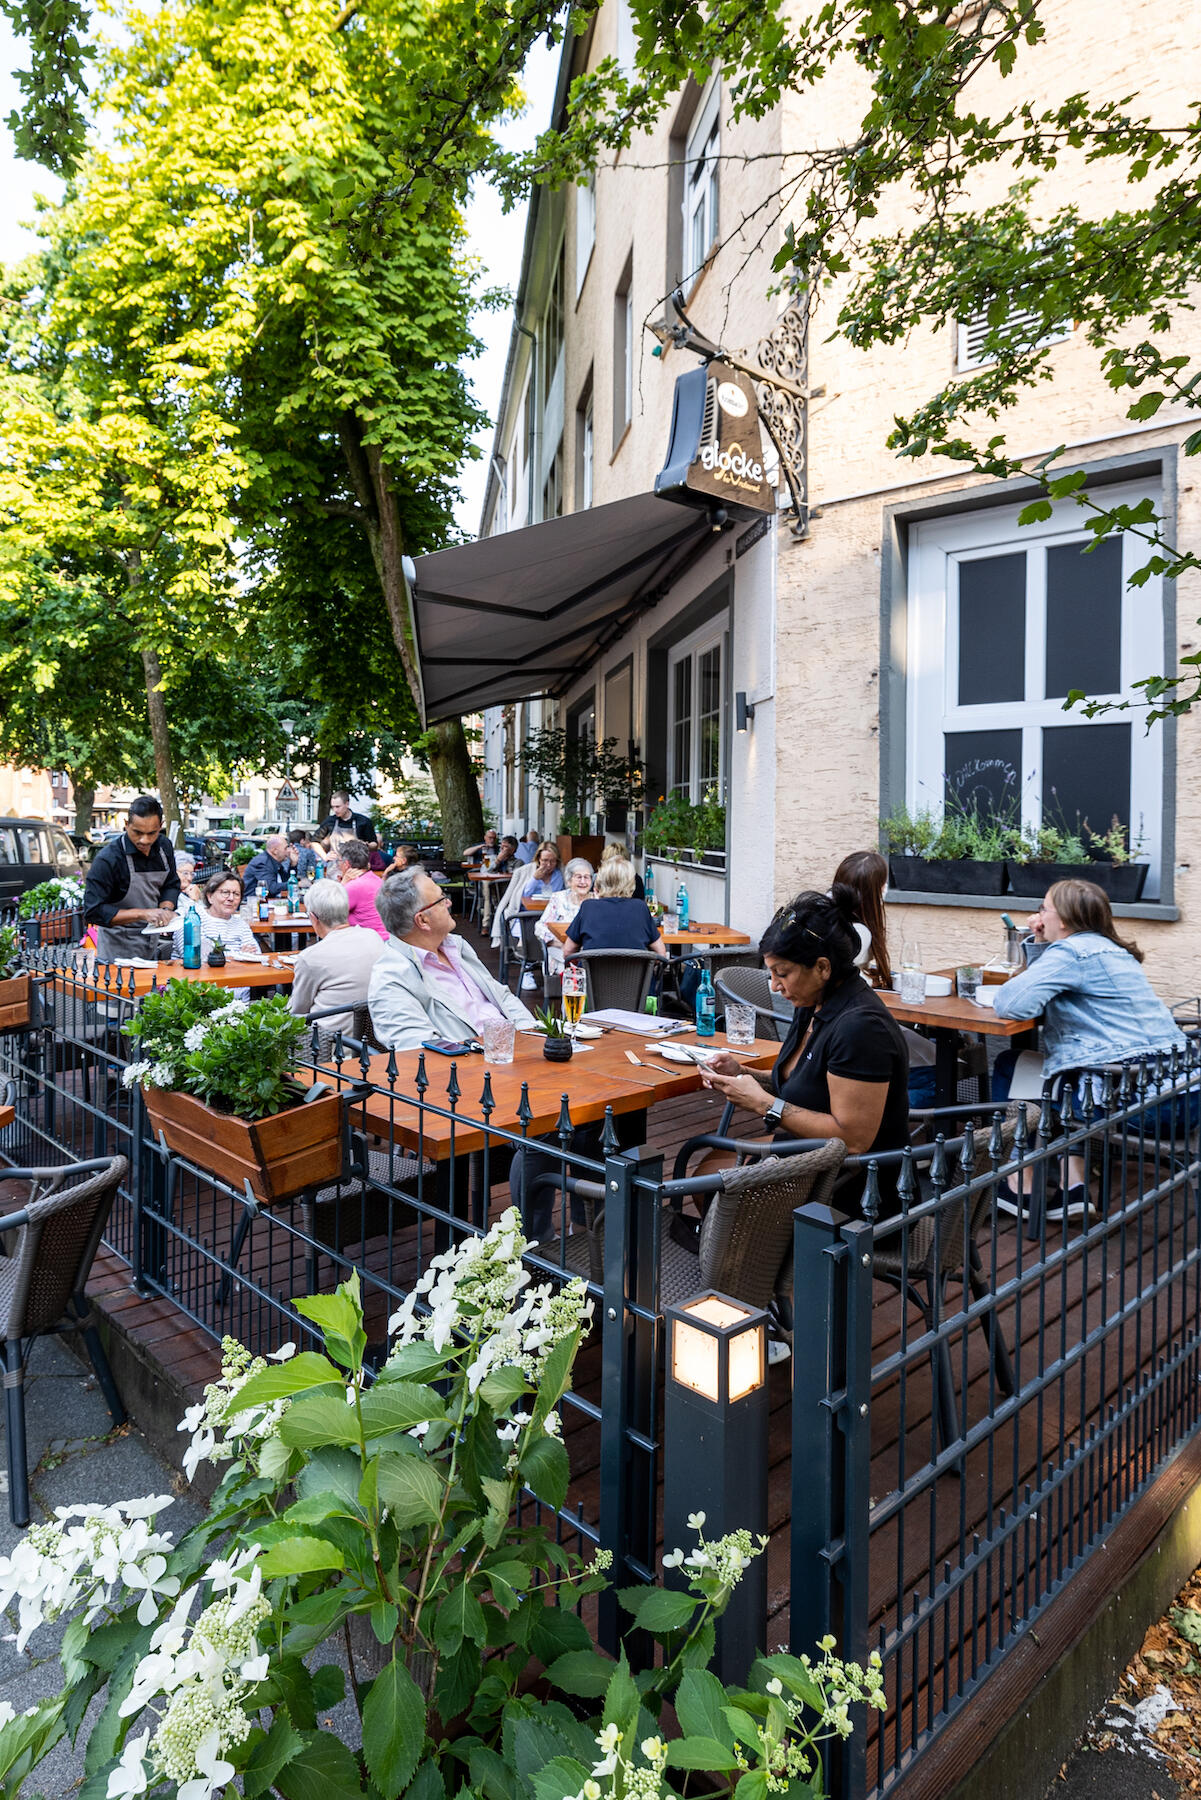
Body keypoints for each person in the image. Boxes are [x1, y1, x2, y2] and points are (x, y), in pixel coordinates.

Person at [699, 888, 911, 1215]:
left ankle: (772, 1263)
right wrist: (742, 1073)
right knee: (710, 1168)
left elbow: (852, 1140)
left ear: (823, 968)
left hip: (855, 1192)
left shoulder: (861, 1028)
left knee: (710, 1176)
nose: (773, 985)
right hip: (818, 1164)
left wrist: (762, 1103)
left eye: (781, 973)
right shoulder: (815, 1004)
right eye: (770, 973)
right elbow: (806, 1084)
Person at [992, 879, 1186, 1210]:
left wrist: (1035, 942)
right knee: (1062, 1069)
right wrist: (1042, 941)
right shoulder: (1113, 951)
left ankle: (1018, 1182)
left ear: (1064, 920)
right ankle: (1073, 1185)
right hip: (1182, 1089)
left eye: (1043, 909)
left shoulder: (1072, 952)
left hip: (1142, 1104)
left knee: (1017, 1066)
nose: (1037, 916)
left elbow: (1010, 1003)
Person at [368, 868, 533, 1052]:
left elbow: (501, 996)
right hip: (476, 1070)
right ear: (422, 920)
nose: (449, 902)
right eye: (440, 900)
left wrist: (531, 1035)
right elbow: (420, 1050)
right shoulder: (391, 978)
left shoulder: (456, 946)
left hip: (516, 1053)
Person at [84, 796, 181, 962]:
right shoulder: (108, 859)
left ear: (161, 826)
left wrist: (165, 909)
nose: (145, 840)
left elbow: (171, 884)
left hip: (152, 943)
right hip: (116, 950)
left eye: (152, 833)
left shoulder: (164, 847)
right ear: (126, 824)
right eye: (137, 832)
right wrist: (142, 914)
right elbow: (93, 911)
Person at [287, 878, 385, 1037]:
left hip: (327, 1049)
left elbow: (297, 1011)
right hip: (374, 1045)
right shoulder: (373, 938)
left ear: (313, 918)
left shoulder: (310, 958)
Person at [564, 855, 666, 957]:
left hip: (594, 972)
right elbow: (661, 954)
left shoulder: (588, 907)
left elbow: (568, 951)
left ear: (601, 880)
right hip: (634, 972)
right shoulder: (640, 908)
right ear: (630, 882)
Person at [832, 850, 891, 987]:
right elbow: (843, 982)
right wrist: (871, 981)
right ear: (874, 891)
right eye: (883, 883)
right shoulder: (857, 933)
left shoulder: (827, 917)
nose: (885, 888)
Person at [535, 858, 594, 976]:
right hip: (560, 952)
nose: (583, 881)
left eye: (587, 877)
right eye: (578, 877)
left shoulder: (597, 901)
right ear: (569, 880)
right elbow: (540, 927)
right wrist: (560, 943)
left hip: (590, 955)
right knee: (570, 968)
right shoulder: (558, 899)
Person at [337, 839, 388, 939]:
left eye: (338, 861)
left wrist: (342, 885)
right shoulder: (375, 879)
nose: (338, 865)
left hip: (368, 943)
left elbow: (328, 912)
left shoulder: (354, 886)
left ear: (346, 864)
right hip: (384, 940)